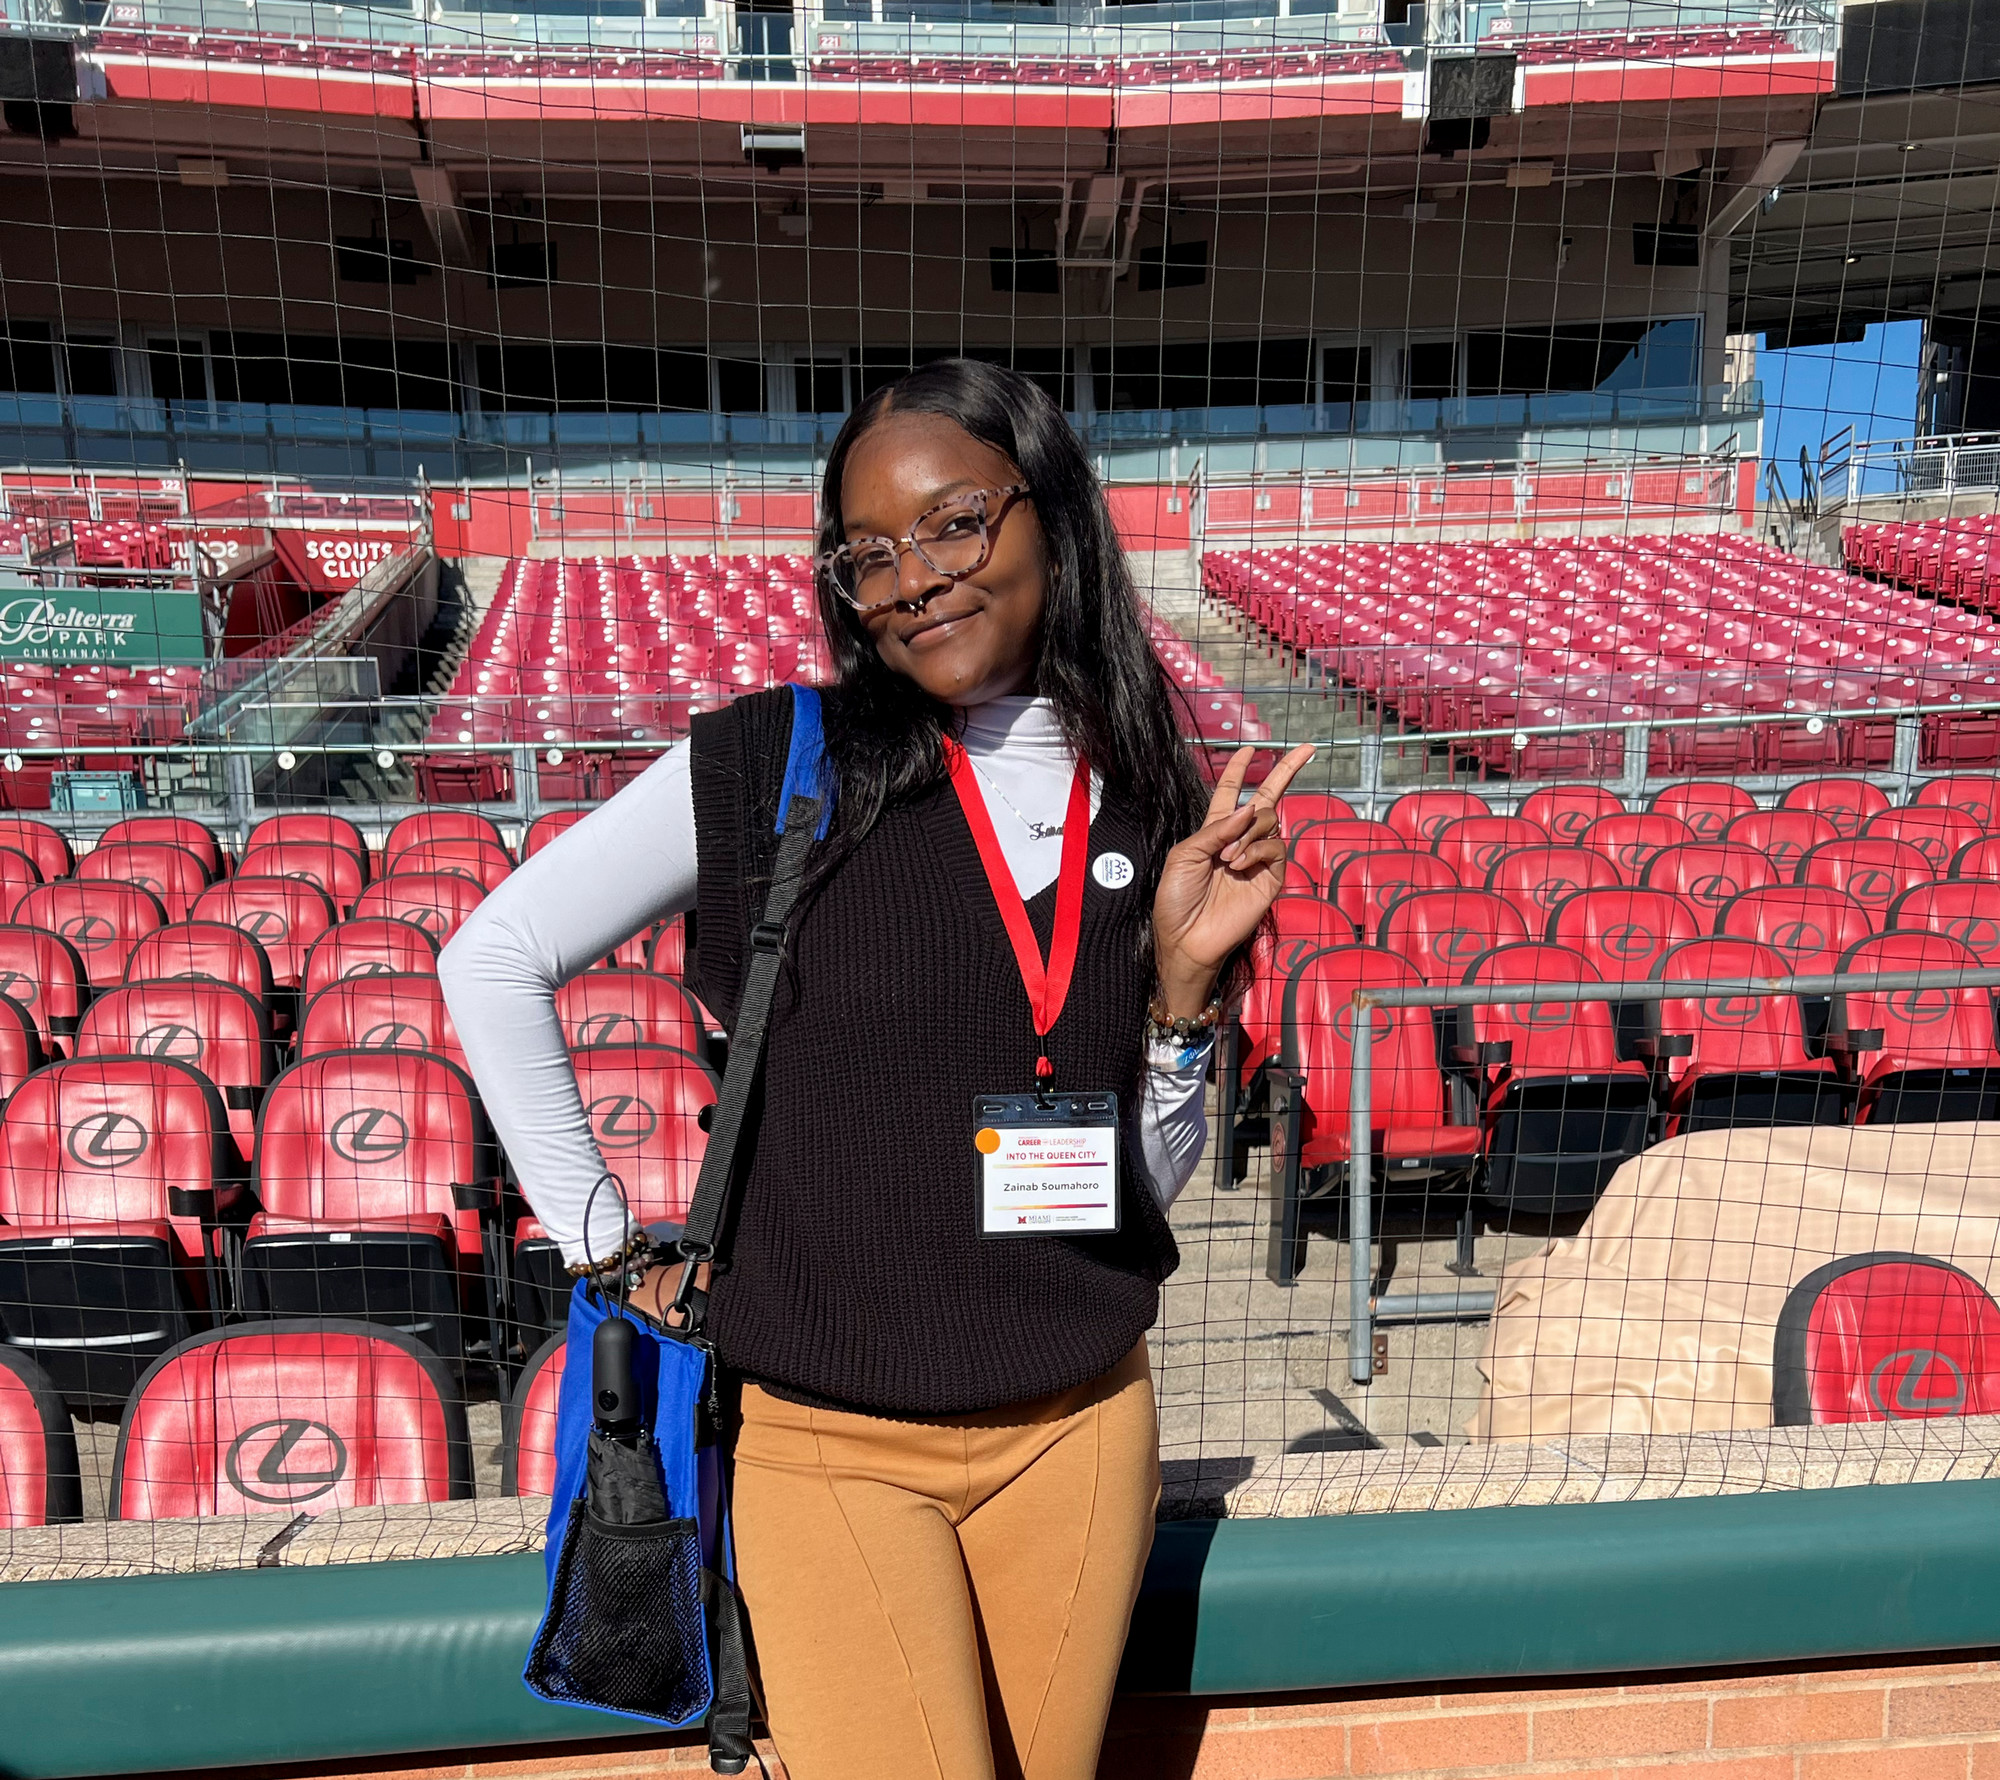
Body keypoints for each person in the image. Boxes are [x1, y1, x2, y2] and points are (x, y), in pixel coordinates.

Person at [440, 357, 1312, 1780]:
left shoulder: (1150, 792)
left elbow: (1122, 1197)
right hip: (832, 1446)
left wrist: (1181, 1000)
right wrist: (603, 1245)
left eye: (955, 524)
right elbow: (491, 959)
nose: (912, 578)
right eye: (870, 554)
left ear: (1053, 514)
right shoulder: (776, 763)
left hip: (1081, 1427)